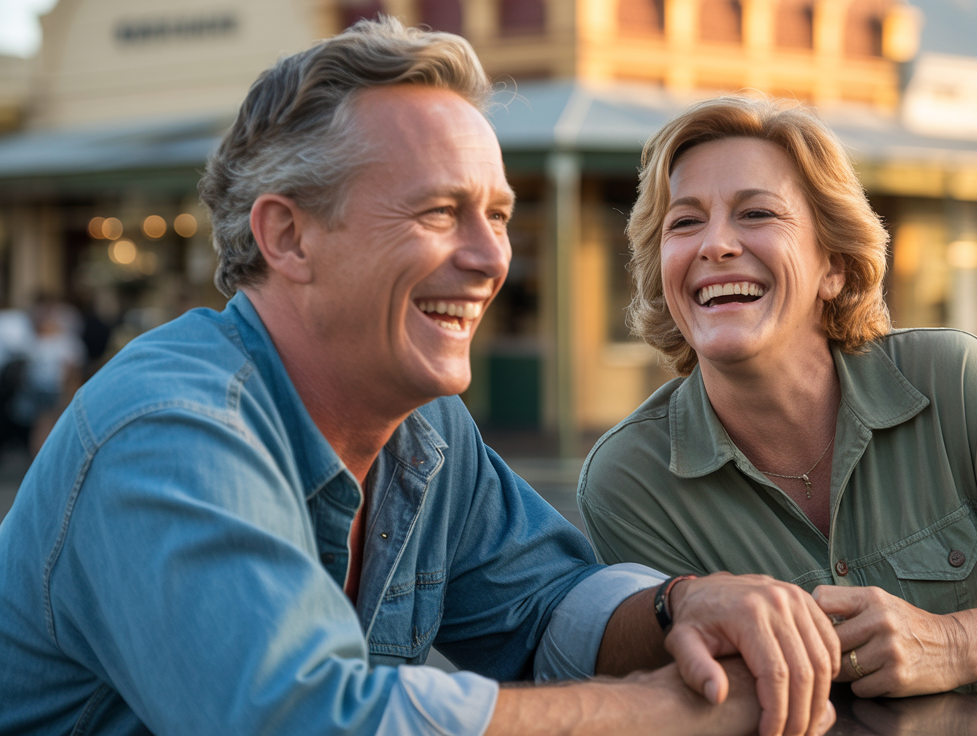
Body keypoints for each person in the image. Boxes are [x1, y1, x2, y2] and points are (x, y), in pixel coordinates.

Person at [0, 23, 842, 736]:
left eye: (500, 217)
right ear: (289, 238)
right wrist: (651, 711)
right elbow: (308, 717)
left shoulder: (427, 428)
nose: (489, 261)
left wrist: (683, 608)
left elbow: (547, 605)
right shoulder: (173, 430)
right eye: (441, 213)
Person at [577, 96, 977, 698]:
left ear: (834, 266)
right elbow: (686, 705)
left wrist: (962, 643)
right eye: (684, 223)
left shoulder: (956, 384)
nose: (715, 244)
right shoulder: (629, 481)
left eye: (757, 213)